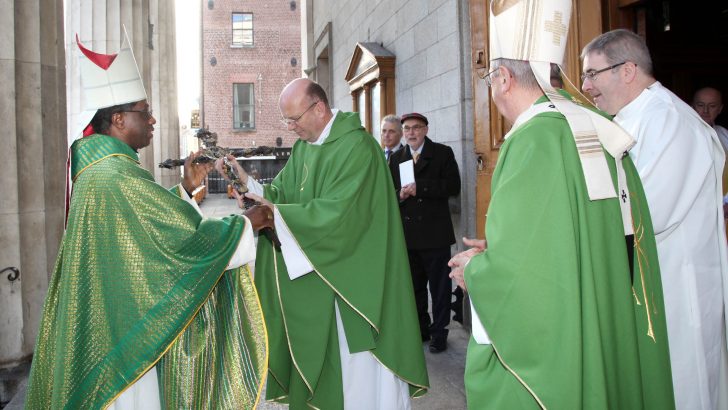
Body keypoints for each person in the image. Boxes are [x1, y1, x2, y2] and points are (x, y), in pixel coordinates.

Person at [24, 32, 271, 409]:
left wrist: (186, 192)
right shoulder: (116, 176)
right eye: (145, 111)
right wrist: (245, 225)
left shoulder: (101, 171)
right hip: (120, 339)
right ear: (119, 119)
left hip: (111, 322)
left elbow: (144, 233)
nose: (153, 120)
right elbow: (176, 248)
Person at [449, 0, 674, 408]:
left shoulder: (532, 139)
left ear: (502, 79)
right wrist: (502, 252)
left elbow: (526, 281)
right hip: (606, 312)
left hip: (562, 337)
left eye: (487, 78)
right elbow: (579, 235)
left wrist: (478, 269)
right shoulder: (598, 126)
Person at [225, 78, 429, 409]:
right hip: (321, 278)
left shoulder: (358, 148)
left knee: (357, 378)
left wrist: (277, 216)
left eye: (294, 119)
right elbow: (283, 195)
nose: (291, 128)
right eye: (286, 121)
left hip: (354, 284)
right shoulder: (307, 146)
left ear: (319, 108)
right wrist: (248, 184)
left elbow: (342, 216)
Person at [582, 29, 728, 410]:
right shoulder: (635, 116)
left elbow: (646, 214)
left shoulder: (667, 119)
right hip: (653, 285)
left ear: (627, 70)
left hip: (676, 288)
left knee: (681, 389)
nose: (585, 86)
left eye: (592, 74)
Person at [388, 112, 461, 353]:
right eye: (407, 128)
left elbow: (453, 186)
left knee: (439, 289)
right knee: (414, 287)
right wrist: (400, 194)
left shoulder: (442, 153)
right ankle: (421, 328)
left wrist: (422, 187)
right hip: (408, 235)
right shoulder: (397, 157)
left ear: (426, 130)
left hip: (435, 234)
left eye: (416, 128)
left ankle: (440, 333)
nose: (411, 132)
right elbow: (388, 192)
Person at [693, 87, 728, 217]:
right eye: (700, 105)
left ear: (720, 109)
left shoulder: (724, 135)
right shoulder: (683, 134)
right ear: (692, 106)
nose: (705, 111)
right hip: (696, 210)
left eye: (712, 106)